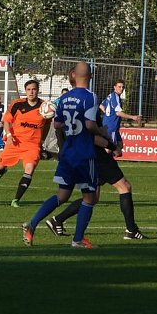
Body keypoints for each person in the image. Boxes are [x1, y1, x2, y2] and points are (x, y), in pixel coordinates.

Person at [22, 61, 106, 248]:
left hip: (67, 153)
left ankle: (32, 223)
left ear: (73, 76)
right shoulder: (90, 97)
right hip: (84, 153)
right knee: (90, 197)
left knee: (62, 195)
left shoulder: (65, 98)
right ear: (90, 77)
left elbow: (57, 124)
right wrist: (104, 133)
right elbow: (90, 125)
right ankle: (77, 239)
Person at [45, 110, 148, 240]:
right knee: (124, 187)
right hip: (98, 156)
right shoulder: (87, 107)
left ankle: (57, 220)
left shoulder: (72, 108)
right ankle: (131, 230)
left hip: (85, 156)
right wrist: (111, 146)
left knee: (92, 198)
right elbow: (91, 135)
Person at [0, 80, 51, 207]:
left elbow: (47, 125)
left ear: (38, 90)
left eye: (34, 89)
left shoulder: (44, 107)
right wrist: (8, 135)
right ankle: (2, 171)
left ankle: (16, 200)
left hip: (32, 146)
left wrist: (41, 141)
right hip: (15, 143)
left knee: (29, 170)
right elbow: (7, 121)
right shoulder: (17, 104)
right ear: (25, 91)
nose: (31, 92)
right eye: (28, 89)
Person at [99, 79, 141, 156]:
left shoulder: (110, 95)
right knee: (109, 149)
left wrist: (107, 113)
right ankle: (101, 163)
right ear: (114, 87)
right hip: (111, 126)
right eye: (119, 87)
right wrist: (132, 117)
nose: (121, 88)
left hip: (110, 125)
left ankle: (105, 161)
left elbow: (101, 105)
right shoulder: (115, 97)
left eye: (123, 87)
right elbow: (118, 113)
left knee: (120, 145)